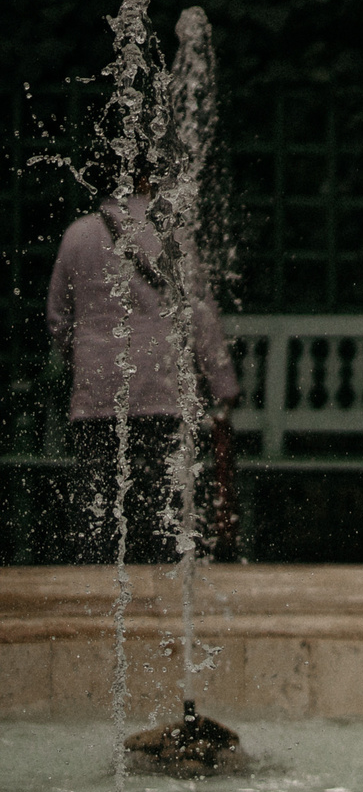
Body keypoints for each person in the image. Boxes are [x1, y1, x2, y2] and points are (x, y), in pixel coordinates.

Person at [46, 184, 239, 566]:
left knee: (100, 507)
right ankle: (161, 600)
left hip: (96, 395)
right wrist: (223, 384)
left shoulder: (77, 234)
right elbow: (200, 314)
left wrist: (85, 357)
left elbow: (57, 318)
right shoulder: (171, 234)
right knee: (161, 506)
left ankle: (99, 593)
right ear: (152, 184)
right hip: (161, 390)